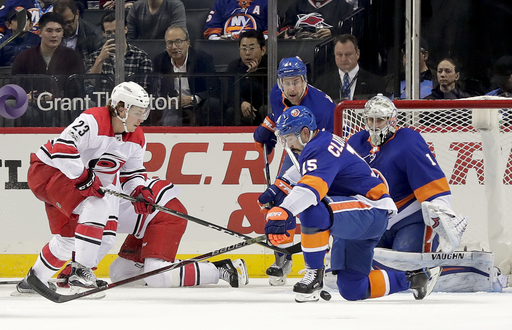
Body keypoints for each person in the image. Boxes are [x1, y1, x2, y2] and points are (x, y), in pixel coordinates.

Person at [263, 105, 441, 302]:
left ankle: (313, 276)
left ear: (305, 133)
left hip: (370, 208)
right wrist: (277, 189)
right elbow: (302, 172)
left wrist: (284, 210)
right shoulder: (318, 142)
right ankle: (414, 278)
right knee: (353, 289)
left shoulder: (318, 148)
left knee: (313, 209)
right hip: (355, 215)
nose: (286, 143)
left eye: (288, 137)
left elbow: (311, 188)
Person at [344, 94, 511, 293]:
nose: (374, 125)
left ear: (392, 120)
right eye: (370, 120)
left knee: (406, 266)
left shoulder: (407, 141)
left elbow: (434, 186)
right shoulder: (355, 143)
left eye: (379, 120)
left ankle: (463, 271)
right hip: (376, 220)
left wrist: (441, 216)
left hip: (409, 219)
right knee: (357, 267)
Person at [255, 56, 335, 286]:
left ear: (305, 81)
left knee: (322, 204)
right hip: (296, 149)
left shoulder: (321, 107)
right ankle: (282, 256)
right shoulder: (275, 94)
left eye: (296, 82)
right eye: (286, 82)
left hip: (324, 154)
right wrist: (266, 128)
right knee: (280, 197)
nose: (291, 88)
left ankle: (326, 259)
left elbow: (327, 144)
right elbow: (277, 116)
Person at [11, 12, 85, 126]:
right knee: (16, 107)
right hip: (30, 105)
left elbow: (77, 89)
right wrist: (25, 97)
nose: (54, 35)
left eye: (58, 30)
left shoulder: (73, 57)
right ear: (39, 32)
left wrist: (56, 97)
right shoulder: (24, 57)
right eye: (49, 31)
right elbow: (13, 87)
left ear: (62, 33)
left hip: (61, 104)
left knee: (63, 108)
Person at [153, 25, 221, 126]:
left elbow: (215, 88)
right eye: (170, 43)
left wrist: (192, 99)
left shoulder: (202, 59)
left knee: (212, 104)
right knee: (169, 114)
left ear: (187, 43)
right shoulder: (160, 61)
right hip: (173, 105)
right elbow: (156, 88)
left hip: (198, 103)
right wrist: (169, 98)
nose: (174, 47)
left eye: (178, 42)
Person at [315, 34, 386, 102]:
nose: (343, 59)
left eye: (348, 54)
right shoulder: (321, 84)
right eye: (339, 55)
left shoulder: (376, 83)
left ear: (357, 54)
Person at [85, 11, 152, 76]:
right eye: (109, 33)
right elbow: (89, 84)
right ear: (103, 34)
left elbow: (144, 86)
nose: (114, 35)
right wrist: (100, 60)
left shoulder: (141, 57)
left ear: (125, 29)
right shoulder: (94, 57)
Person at [225, 29, 268, 126]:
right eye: (244, 49)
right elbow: (229, 94)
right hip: (243, 110)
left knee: (266, 109)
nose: (247, 53)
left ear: (263, 50)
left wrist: (254, 76)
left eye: (252, 48)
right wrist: (241, 102)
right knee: (231, 111)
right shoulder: (234, 66)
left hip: (262, 108)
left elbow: (269, 96)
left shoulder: (271, 66)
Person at [280, 0, 353, 39]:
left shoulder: (343, 7)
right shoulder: (297, 6)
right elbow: (285, 29)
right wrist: (288, 36)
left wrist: (334, 32)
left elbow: (350, 32)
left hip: (329, 53)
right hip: (297, 50)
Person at [204, 0, 268, 40]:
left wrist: (259, 41)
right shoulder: (221, 2)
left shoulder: (267, 3)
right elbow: (212, 31)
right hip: (228, 47)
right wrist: (218, 39)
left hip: (254, 50)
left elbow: (272, 32)